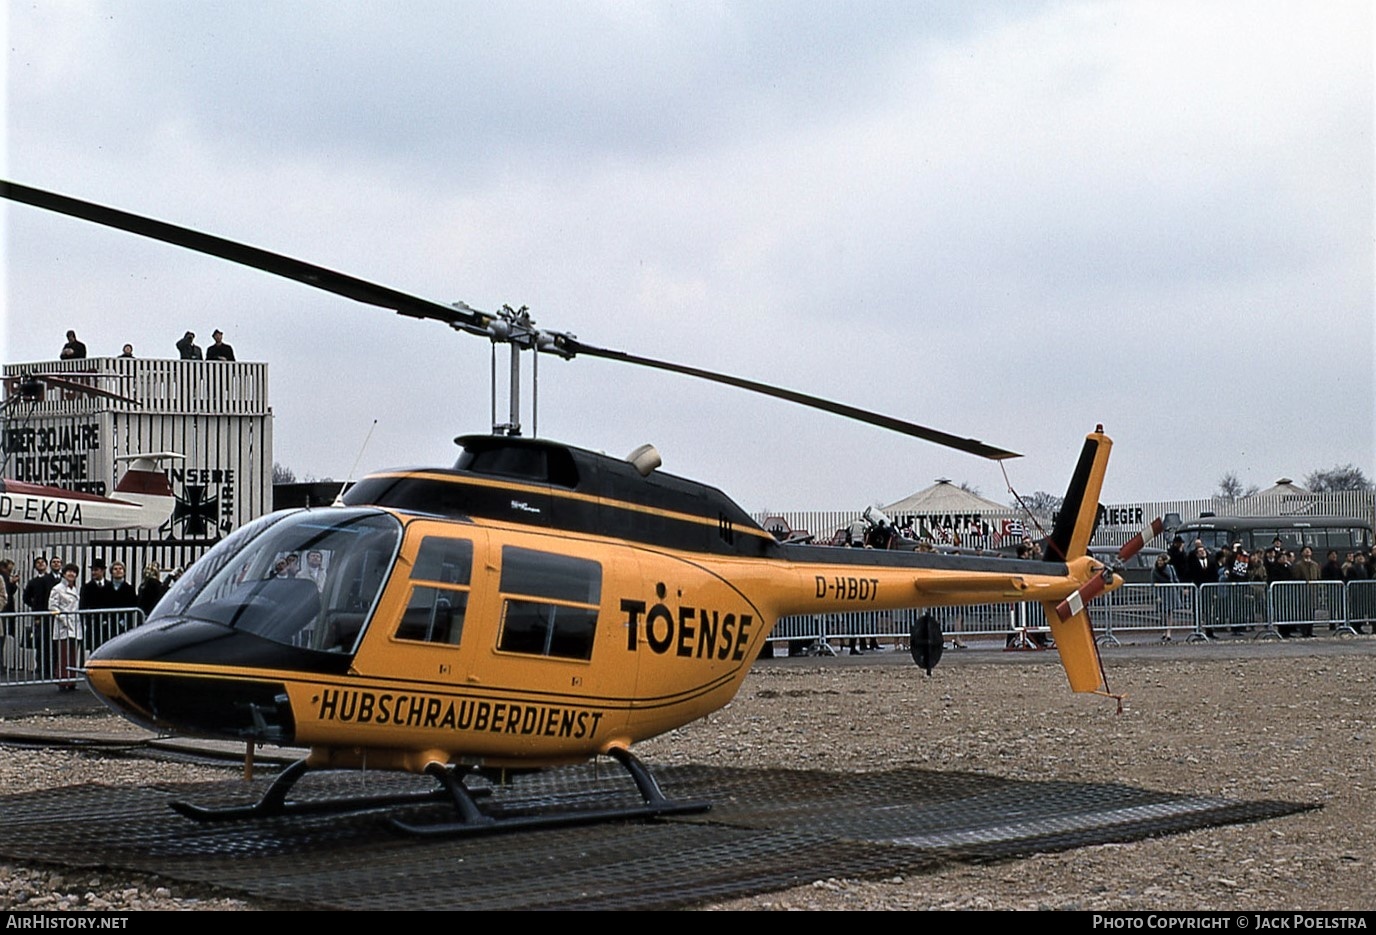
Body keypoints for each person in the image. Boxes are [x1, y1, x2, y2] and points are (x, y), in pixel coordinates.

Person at [48, 563, 82, 691]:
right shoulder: (57, 589)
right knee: (63, 654)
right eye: (69, 572)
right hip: (63, 626)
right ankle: (62, 680)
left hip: (75, 624)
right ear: (64, 574)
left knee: (73, 654)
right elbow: (52, 607)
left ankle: (72, 680)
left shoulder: (75, 589)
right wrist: (63, 619)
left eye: (74, 572)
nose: (71, 574)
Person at [1151, 553, 1181, 641]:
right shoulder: (1154, 571)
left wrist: (1179, 588)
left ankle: (1169, 632)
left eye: (1161, 560)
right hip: (1161, 592)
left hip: (1170, 592)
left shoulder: (1170, 568)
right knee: (1162, 613)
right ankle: (1164, 630)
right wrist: (1157, 596)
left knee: (1169, 612)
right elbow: (1153, 583)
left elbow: (1175, 579)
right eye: (1158, 560)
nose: (1159, 562)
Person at [106, 561, 139, 635]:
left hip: (125, 624)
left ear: (124, 572)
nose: (118, 570)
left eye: (120, 569)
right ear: (111, 572)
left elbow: (133, 606)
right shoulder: (105, 588)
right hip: (109, 623)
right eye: (115, 569)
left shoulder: (130, 589)